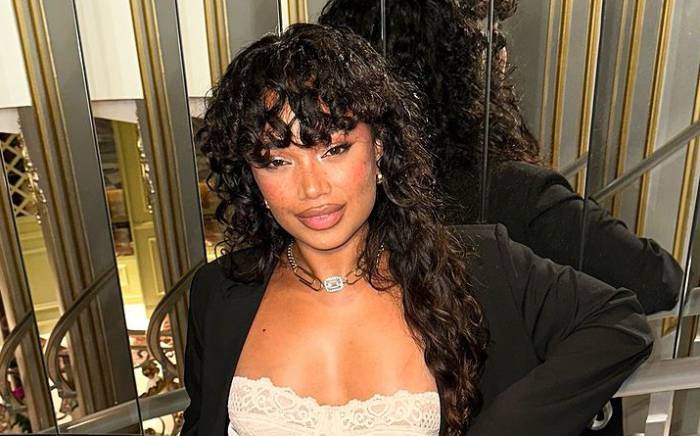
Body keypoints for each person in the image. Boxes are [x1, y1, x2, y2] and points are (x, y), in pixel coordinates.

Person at [182, 24, 652, 436]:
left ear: (379, 148)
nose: (311, 188)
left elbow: (619, 322)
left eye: (335, 150)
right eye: (277, 161)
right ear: (251, 174)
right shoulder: (219, 293)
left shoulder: (480, 266)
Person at [318, 0, 682, 316]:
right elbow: (658, 279)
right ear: (457, 68)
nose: (501, 54)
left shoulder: (333, 197)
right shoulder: (513, 192)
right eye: (488, 40)